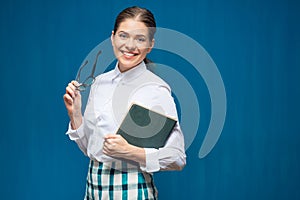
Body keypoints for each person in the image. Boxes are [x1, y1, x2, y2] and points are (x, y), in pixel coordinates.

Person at [63, 6, 186, 200]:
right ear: (112, 37)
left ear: (150, 44)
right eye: (123, 36)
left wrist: (130, 152)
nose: (130, 45)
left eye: (140, 39)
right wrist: (75, 114)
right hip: (93, 189)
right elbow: (91, 150)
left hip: (132, 190)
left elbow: (177, 158)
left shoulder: (155, 89)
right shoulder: (98, 83)